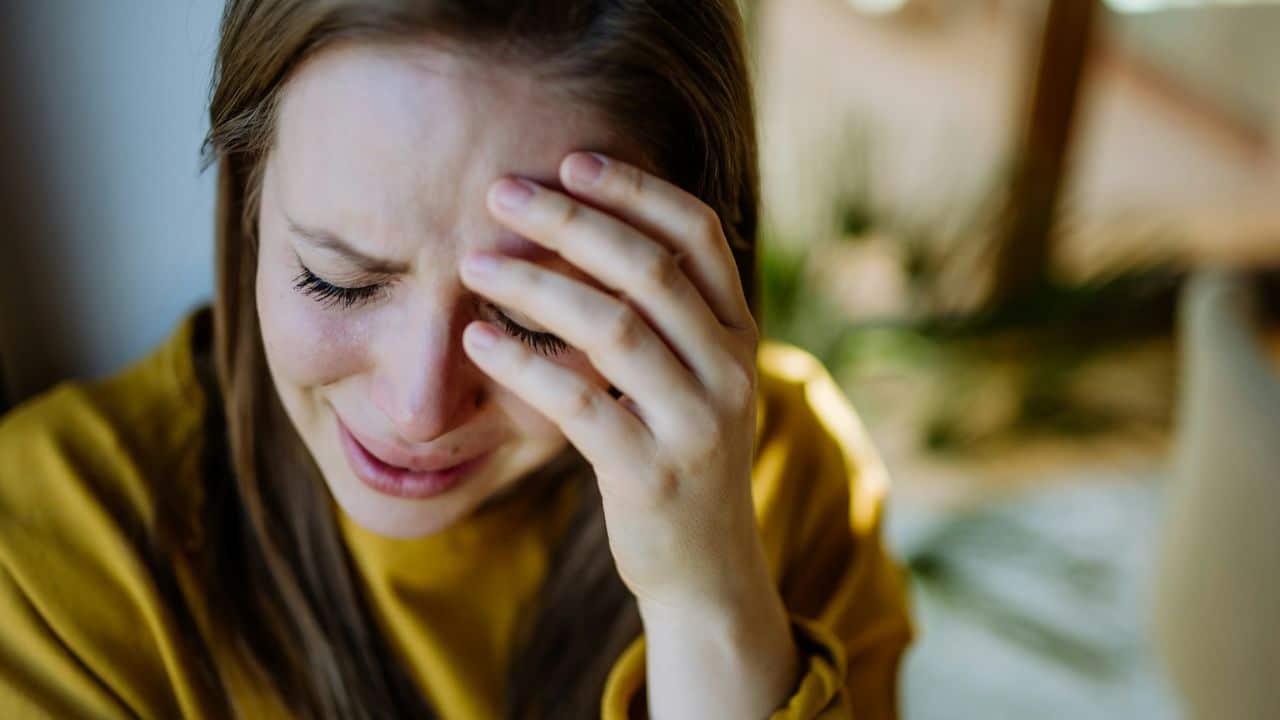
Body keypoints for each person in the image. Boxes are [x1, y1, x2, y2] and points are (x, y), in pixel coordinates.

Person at [0, 1, 912, 718]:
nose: (420, 408)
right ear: (251, 196)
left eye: (534, 321)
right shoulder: (50, 542)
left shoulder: (787, 484)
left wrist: (709, 604)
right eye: (338, 281)